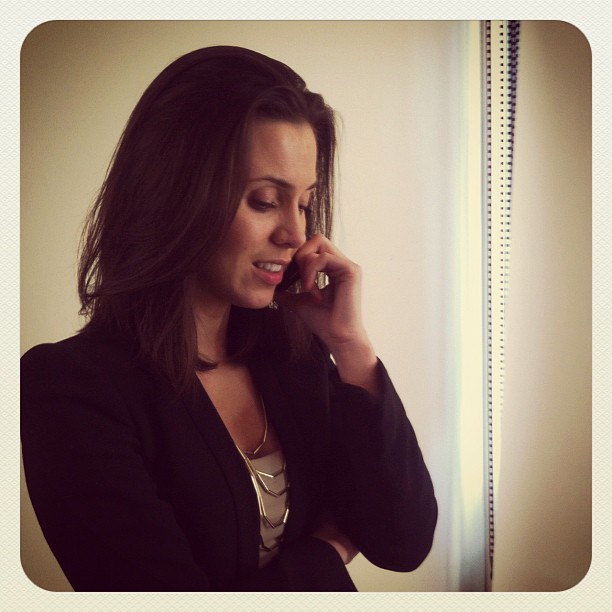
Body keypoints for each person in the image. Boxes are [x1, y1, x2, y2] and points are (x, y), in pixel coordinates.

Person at [20, 46, 437, 592]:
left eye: (304, 203)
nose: (295, 233)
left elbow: (402, 541)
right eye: (264, 201)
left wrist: (351, 347)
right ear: (174, 194)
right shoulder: (70, 389)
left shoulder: (293, 357)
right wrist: (328, 549)